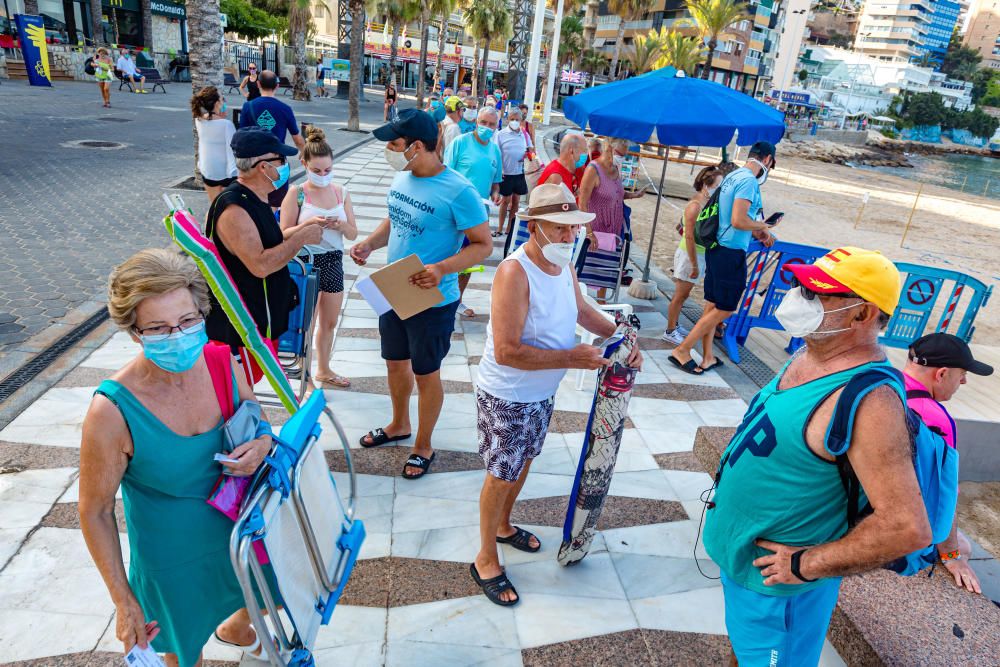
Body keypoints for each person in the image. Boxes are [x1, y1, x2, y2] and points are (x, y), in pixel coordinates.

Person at [703, 246, 931, 666]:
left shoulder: (871, 402)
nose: (797, 297)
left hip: (780, 592)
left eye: (816, 293)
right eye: (798, 286)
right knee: (743, 649)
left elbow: (907, 527)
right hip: (745, 568)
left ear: (862, 315)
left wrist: (809, 564)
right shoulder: (809, 354)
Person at [79, 249, 273, 667]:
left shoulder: (222, 361)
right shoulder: (112, 410)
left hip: (237, 526)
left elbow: (257, 421)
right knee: (182, 652)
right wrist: (122, 599)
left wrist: (262, 445)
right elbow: (94, 511)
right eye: (158, 328)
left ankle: (237, 628)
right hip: (171, 557)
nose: (178, 336)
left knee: (253, 593)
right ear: (134, 332)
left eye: (188, 322)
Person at [471, 183, 642, 605]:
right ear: (535, 226)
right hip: (508, 394)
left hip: (541, 390)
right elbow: (507, 351)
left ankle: (504, 525)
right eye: (561, 228)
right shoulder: (514, 272)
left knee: (525, 460)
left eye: (574, 228)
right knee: (500, 473)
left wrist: (622, 337)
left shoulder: (561, 265)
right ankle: (484, 557)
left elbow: (582, 310)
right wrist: (572, 357)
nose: (570, 237)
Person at [349, 109, 492, 479]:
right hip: (395, 287)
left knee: (426, 372)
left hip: (432, 299)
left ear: (416, 146)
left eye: (395, 144)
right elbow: (394, 219)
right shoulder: (403, 176)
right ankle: (399, 423)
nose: (389, 150)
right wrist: (369, 243)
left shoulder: (459, 190)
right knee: (394, 362)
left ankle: (423, 445)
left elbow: (482, 246)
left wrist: (443, 268)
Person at [205, 128, 326, 384]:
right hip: (241, 332)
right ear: (263, 167)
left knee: (249, 388)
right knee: (239, 394)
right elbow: (259, 264)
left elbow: (268, 240)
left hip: (260, 324)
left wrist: (300, 230)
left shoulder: (256, 198)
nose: (285, 165)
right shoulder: (235, 207)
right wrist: (301, 239)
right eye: (281, 160)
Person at [668, 141, 778, 375]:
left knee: (713, 304)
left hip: (716, 248)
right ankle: (683, 349)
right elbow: (738, 220)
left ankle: (708, 356)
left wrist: (759, 228)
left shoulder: (733, 175)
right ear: (767, 160)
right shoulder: (748, 181)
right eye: (772, 164)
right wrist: (765, 225)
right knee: (726, 308)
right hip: (730, 251)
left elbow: (729, 214)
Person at [902, 332, 992, 594]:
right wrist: (952, 555)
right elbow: (945, 495)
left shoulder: (884, 384)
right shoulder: (936, 419)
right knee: (965, 547)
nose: (963, 381)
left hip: (852, 507)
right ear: (941, 374)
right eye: (962, 373)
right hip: (894, 533)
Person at [279, 127, 358, 389]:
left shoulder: (341, 192)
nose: (323, 176)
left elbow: (353, 232)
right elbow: (284, 233)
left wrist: (339, 226)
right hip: (306, 262)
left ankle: (324, 369)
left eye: (327, 170)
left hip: (333, 259)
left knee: (330, 321)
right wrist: (310, 223)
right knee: (306, 322)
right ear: (305, 165)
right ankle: (306, 374)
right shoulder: (297, 192)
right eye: (317, 171)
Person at [444, 105, 504, 318]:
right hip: (452, 214)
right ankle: (438, 299)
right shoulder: (460, 143)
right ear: (476, 122)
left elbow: (496, 182)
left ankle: (457, 300)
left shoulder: (495, 150)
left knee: (468, 261)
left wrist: (496, 193)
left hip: (479, 217)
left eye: (491, 124)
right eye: (483, 123)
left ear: (497, 126)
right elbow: (444, 175)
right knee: (447, 255)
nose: (487, 127)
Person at [577, 137, 644, 301]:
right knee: (585, 271)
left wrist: (634, 195)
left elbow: (616, 194)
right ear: (609, 148)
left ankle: (601, 304)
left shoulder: (615, 169)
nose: (624, 156)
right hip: (595, 230)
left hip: (613, 230)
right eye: (621, 153)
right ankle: (578, 304)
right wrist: (589, 232)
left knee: (606, 272)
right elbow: (582, 202)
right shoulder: (593, 169)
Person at [662, 166, 723, 345]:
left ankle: (675, 324)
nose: (718, 190)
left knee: (685, 294)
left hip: (700, 253)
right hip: (691, 254)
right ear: (706, 184)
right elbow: (689, 236)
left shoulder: (708, 204)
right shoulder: (695, 206)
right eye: (717, 185)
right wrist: (695, 265)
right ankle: (670, 330)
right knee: (680, 294)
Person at [239, 70, 306, 209]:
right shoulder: (285, 109)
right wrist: (304, 152)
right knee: (275, 203)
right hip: (276, 163)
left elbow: (242, 135)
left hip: (254, 163)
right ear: (277, 86)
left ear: (258, 84)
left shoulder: (248, 106)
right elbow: (297, 138)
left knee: (255, 202)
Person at [191, 86, 237, 203]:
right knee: (227, 208)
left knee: (214, 206)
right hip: (226, 172)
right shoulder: (226, 124)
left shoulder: (199, 120)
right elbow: (233, 148)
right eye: (222, 99)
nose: (224, 101)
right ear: (217, 103)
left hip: (208, 170)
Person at [494, 107, 532, 239]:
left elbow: (531, 150)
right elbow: (495, 154)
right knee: (505, 201)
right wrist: (498, 172)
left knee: (516, 201)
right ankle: (499, 228)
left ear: (521, 120)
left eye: (517, 119)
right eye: (512, 119)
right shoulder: (500, 134)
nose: (514, 121)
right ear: (507, 119)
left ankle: (509, 229)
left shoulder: (524, 134)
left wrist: (528, 154)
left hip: (519, 173)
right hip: (506, 173)